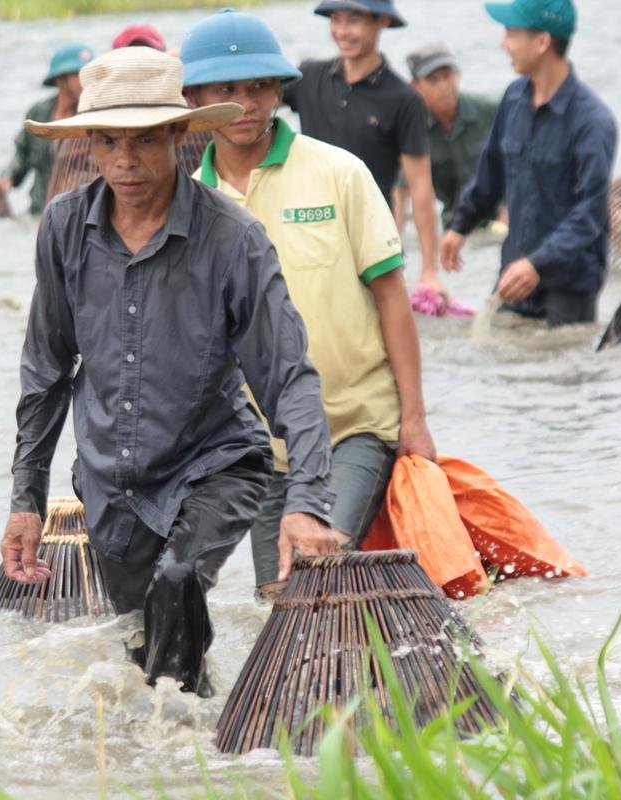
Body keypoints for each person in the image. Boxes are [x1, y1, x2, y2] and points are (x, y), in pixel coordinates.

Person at [1, 47, 342, 696]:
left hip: (214, 465)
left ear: (180, 134)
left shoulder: (233, 240)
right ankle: (190, 760)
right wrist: (26, 500)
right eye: (108, 141)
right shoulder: (64, 229)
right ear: (89, 142)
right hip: (112, 486)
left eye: (145, 141)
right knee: (151, 662)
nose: (125, 162)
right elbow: (46, 368)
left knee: (178, 582)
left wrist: (306, 500)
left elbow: (288, 377)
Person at [180, 9, 437, 592]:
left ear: (278, 91)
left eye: (257, 88)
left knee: (318, 567)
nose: (244, 103)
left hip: (354, 428)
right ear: (194, 98)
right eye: (225, 90)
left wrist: (415, 421)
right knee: (278, 600)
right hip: (258, 451)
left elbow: (392, 297)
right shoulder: (192, 206)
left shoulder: (338, 173)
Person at [440, 0, 617, 327]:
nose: (503, 43)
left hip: (569, 283)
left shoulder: (592, 122)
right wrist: (459, 227)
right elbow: (490, 175)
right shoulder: (514, 99)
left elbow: (589, 215)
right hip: (515, 269)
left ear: (541, 42)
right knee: (498, 363)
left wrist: (538, 264)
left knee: (559, 369)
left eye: (510, 33)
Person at [284, 0, 443, 294]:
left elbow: (421, 187)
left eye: (354, 20)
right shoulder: (308, 78)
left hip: (372, 241)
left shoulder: (403, 99)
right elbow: (255, 102)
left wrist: (429, 270)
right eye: (335, 20)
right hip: (308, 235)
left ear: (381, 21)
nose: (342, 31)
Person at [400, 42, 502, 231]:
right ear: (414, 87)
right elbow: (401, 190)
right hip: (456, 224)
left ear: (458, 74)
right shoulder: (412, 132)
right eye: (433, 80)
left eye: (447, 76)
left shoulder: (492, 109)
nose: (444, 86)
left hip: (504, 215)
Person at [4, 43, 94, 215]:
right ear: (61, 80)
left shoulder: (92, 116)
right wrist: (7, 179)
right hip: (40, 209)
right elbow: (21, 155)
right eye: (81, 75)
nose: (88, 81)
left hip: (79, 211)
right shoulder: (39, 113)